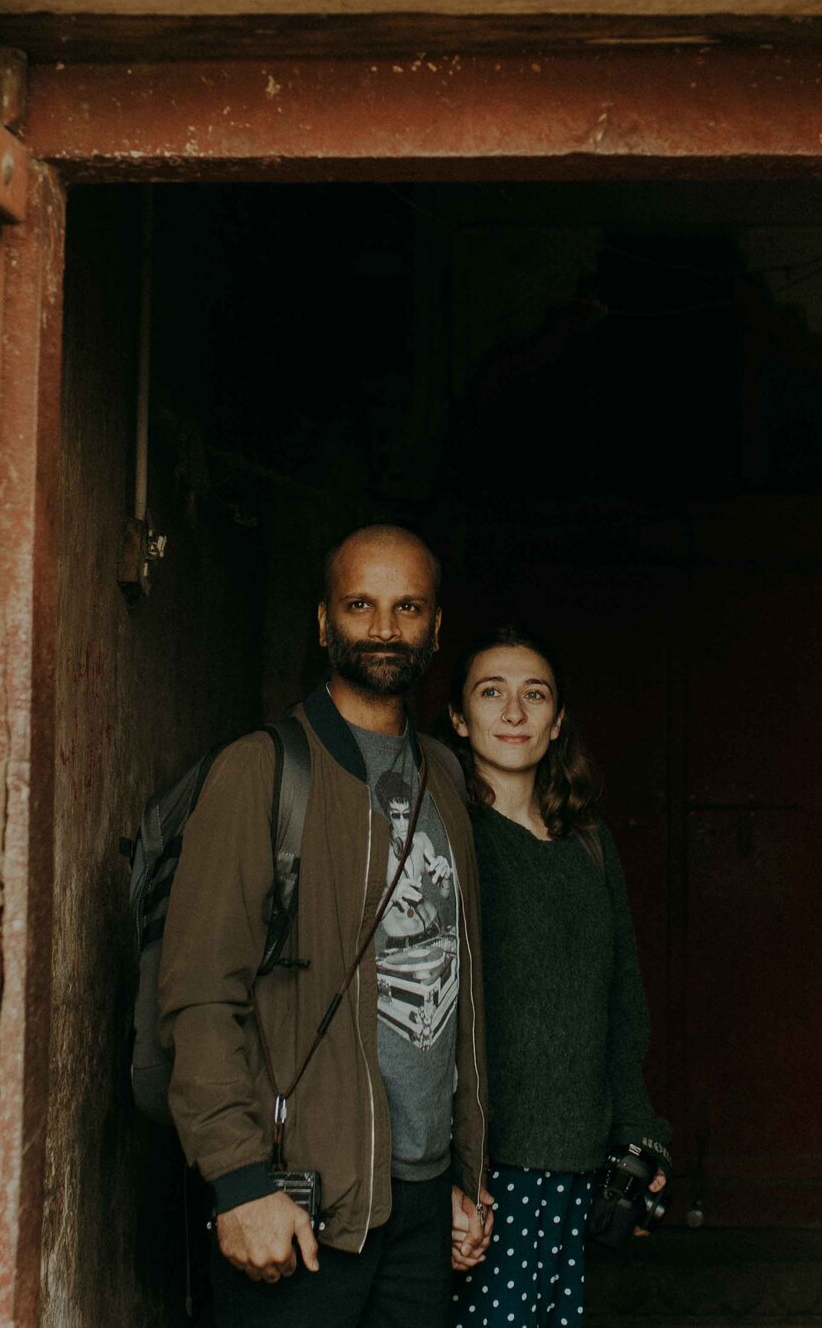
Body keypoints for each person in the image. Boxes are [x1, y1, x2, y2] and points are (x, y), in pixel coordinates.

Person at [157, 523, 494, 1327]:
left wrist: (459, 1168)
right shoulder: (262, 771)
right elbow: (200, 995)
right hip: (296, 1202)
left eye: (407, 606)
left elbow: (462, 983)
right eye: (361, 604)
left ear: (435, 626)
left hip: (420, 1207)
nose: (384, 627)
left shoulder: (447, 778)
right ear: (323, 622)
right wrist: (238, 1181)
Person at [447, 626, 671, 1326]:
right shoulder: (447, 834)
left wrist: (639, 1134)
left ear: (557, 720)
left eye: (533, 694)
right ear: (459, 718)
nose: (514, 711)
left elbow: (622, 1004)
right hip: (488, 1168)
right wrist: (450, 1172)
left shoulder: (590, 843)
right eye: (492, 692)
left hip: (577, 1166)